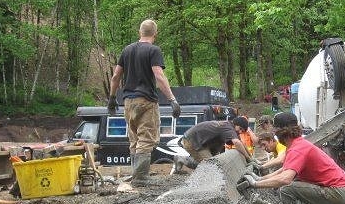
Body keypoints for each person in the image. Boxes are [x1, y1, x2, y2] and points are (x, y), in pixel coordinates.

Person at [107, 19, 181, 186]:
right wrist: (172, 99)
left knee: (134, 139)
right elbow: (159, 76)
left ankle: (135, 175)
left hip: (128, 102)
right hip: (146, 101)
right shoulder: (153, 50)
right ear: (155, 34)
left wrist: (112, 98)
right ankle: (140, 178)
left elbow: (116, 77)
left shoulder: (127, 50)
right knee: (147, 139)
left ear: (140, 32)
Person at [174, 117, 252, 172]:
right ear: (236, 124)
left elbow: (241, 143)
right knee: (211, 165)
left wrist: (251, 158)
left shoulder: (231, 128)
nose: (241, 132)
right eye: (241, 129)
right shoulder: (228, 128)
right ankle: (182, 160)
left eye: (243, 131)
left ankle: (184, 160)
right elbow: (237, 143)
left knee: (214, 163)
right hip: (192, 140)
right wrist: (247, 158)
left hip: (203, 143)